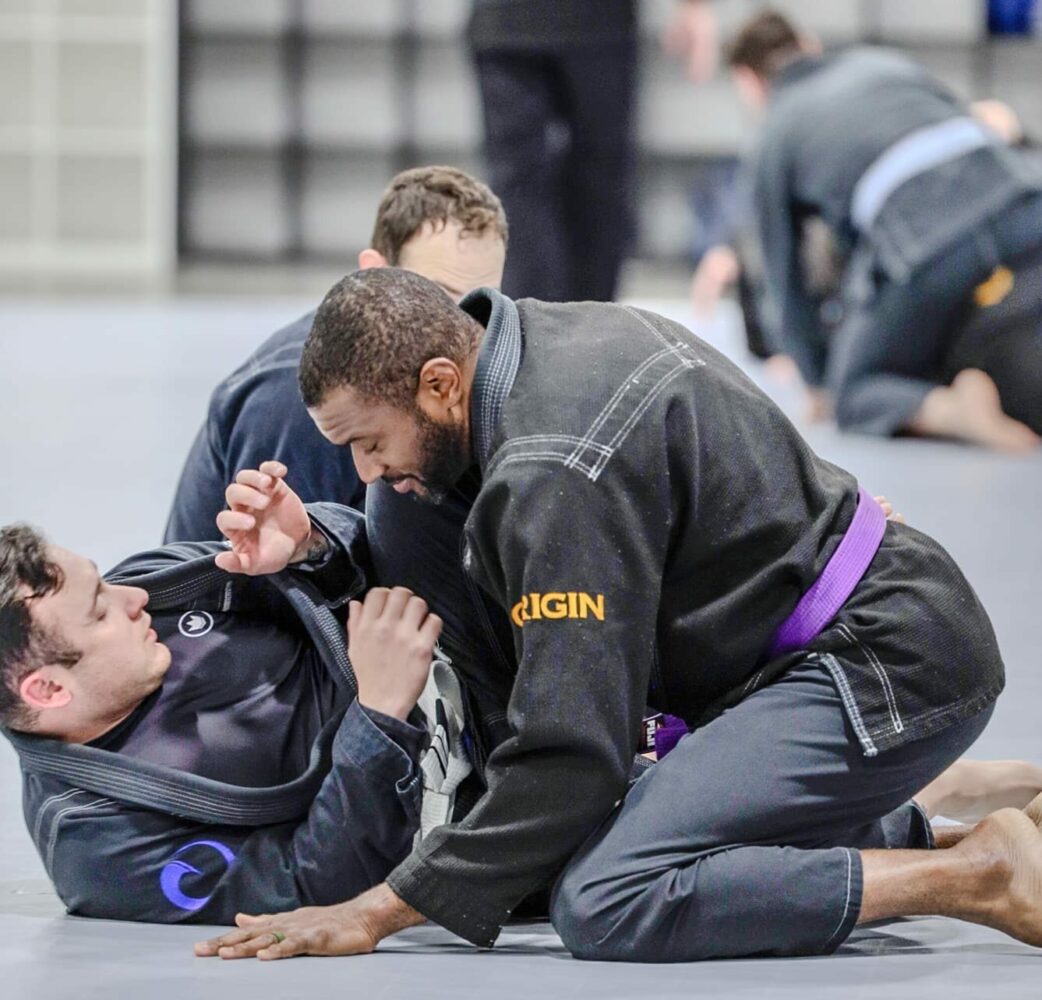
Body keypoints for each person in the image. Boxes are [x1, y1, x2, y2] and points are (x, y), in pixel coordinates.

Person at [197, 270, 1042, 964]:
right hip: (802, 651)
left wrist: (381, 910)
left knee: (608, 895)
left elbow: (574, 754)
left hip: (883, 663)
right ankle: (956, 828)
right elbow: (445, 558)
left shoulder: (553, 473)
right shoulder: (525, 341)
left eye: (369, 441)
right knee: (404, 514)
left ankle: (979, 874)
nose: (364, 469)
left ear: (441, 383)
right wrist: (312, 546)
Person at [0, 481, 458, 924]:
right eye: (100, 612)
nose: (133, 595)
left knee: (404, 481)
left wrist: (308, 548)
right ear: (48, 690)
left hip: (448, 634)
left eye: (102, 582)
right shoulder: (97, 845)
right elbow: (308, 885)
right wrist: (377, 720)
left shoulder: (164, 584)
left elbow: (361, 566)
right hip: (453, 792)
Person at [731, 11, 1042, 450]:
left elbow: (783, 285)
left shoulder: (772, 135)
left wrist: (821, 382)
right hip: (1023, 198)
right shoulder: (881, 63)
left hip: (928, 243)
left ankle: (950, 410)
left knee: (854, 388)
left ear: (748, 82)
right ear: (809, 44)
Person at [164, 166, 508, 543]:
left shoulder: (439, 382)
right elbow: (284, 576)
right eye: (439, 294)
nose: (462, 326)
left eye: (482, 306)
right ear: (375, 272)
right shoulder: (304, 398)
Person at [467, 0, 718, 302]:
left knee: (537, 184)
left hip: (558, 22)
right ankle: (559, 326)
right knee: (560, 182)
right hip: (557, 23)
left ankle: (541, 327)